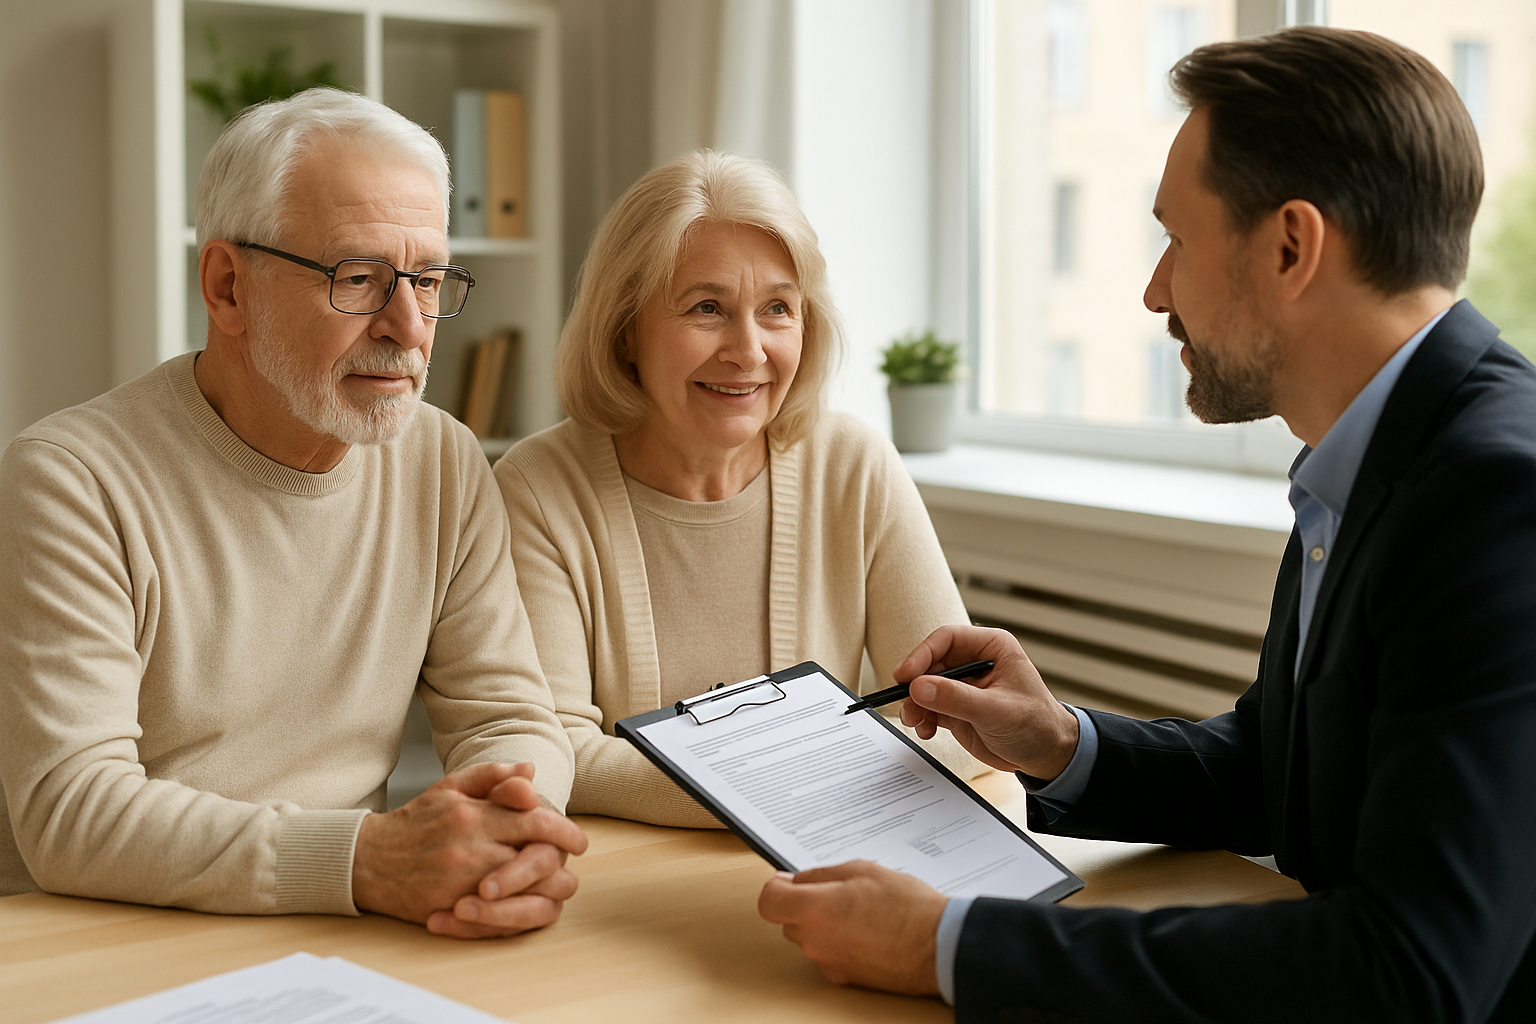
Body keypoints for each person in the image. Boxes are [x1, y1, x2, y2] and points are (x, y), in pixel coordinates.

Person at [758, 26, 1536, 1022]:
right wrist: (1059, 742)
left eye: (1175, 238)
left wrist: (944, 944)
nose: (1154, 289)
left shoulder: (1496, 498)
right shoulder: (1377, 453)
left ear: (1292, 247)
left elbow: (1407, 970)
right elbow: (1279, 772)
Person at [0, 88, 588, 940]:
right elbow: (72, 811)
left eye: (427, 281)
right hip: (104, 940)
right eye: (359, 279)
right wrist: (367, 860)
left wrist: (512, 834)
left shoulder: (444, 460)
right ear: (228, 288)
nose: (408, 327)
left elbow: (507, 715)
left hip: (340, 927)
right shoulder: (71, 481)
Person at [495, 150, 983, 827]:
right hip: (630, 878)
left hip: (834, 866)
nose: (749, 351)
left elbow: (963, 718)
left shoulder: (855, 464)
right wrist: (797, 783)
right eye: (707, 308)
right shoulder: (537, 489)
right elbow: (557, 754)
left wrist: (787, 785)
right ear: (625, 329)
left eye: (777, 308)